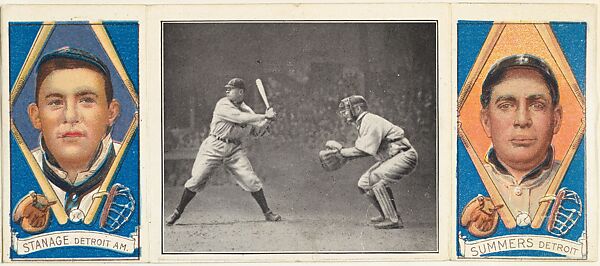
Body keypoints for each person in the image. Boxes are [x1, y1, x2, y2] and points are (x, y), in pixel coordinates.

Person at [166, 78, 281, 225]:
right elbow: (240, 118)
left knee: (251, 180)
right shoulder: (223, 104)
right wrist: (264, 116)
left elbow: (256, 132)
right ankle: (177, 212)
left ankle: (268, 213)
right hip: (214, 146)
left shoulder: (248, 110)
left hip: (234, 150)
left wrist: (267, 122)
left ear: (240, 92)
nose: (227, 90)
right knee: (197, 180)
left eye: (231, 88)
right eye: (227, 88)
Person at [27, 47, 121, 223]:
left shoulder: (134, 164)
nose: (70, 116)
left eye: (86, 100)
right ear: (36, 116)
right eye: (55, 102)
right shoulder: (19, 169)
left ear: (111, 113)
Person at [479, 54, 562, 226]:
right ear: (486, 121)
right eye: (506, 106)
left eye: (537, 105)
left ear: (556, 119)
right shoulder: (466, 179)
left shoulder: (580, 180)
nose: (522, 120)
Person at [335, 95, 418, 229]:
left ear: (356, 108)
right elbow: (362, 148)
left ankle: (393, 220)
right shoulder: (362, 123)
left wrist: (342, 153)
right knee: (363, 183)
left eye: (346, 110)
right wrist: (344, 155)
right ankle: (388, 214)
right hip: (392, 157)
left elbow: (364, 151)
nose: (344, 113)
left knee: (375, 178)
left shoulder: (369, 121)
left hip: (404, 155)